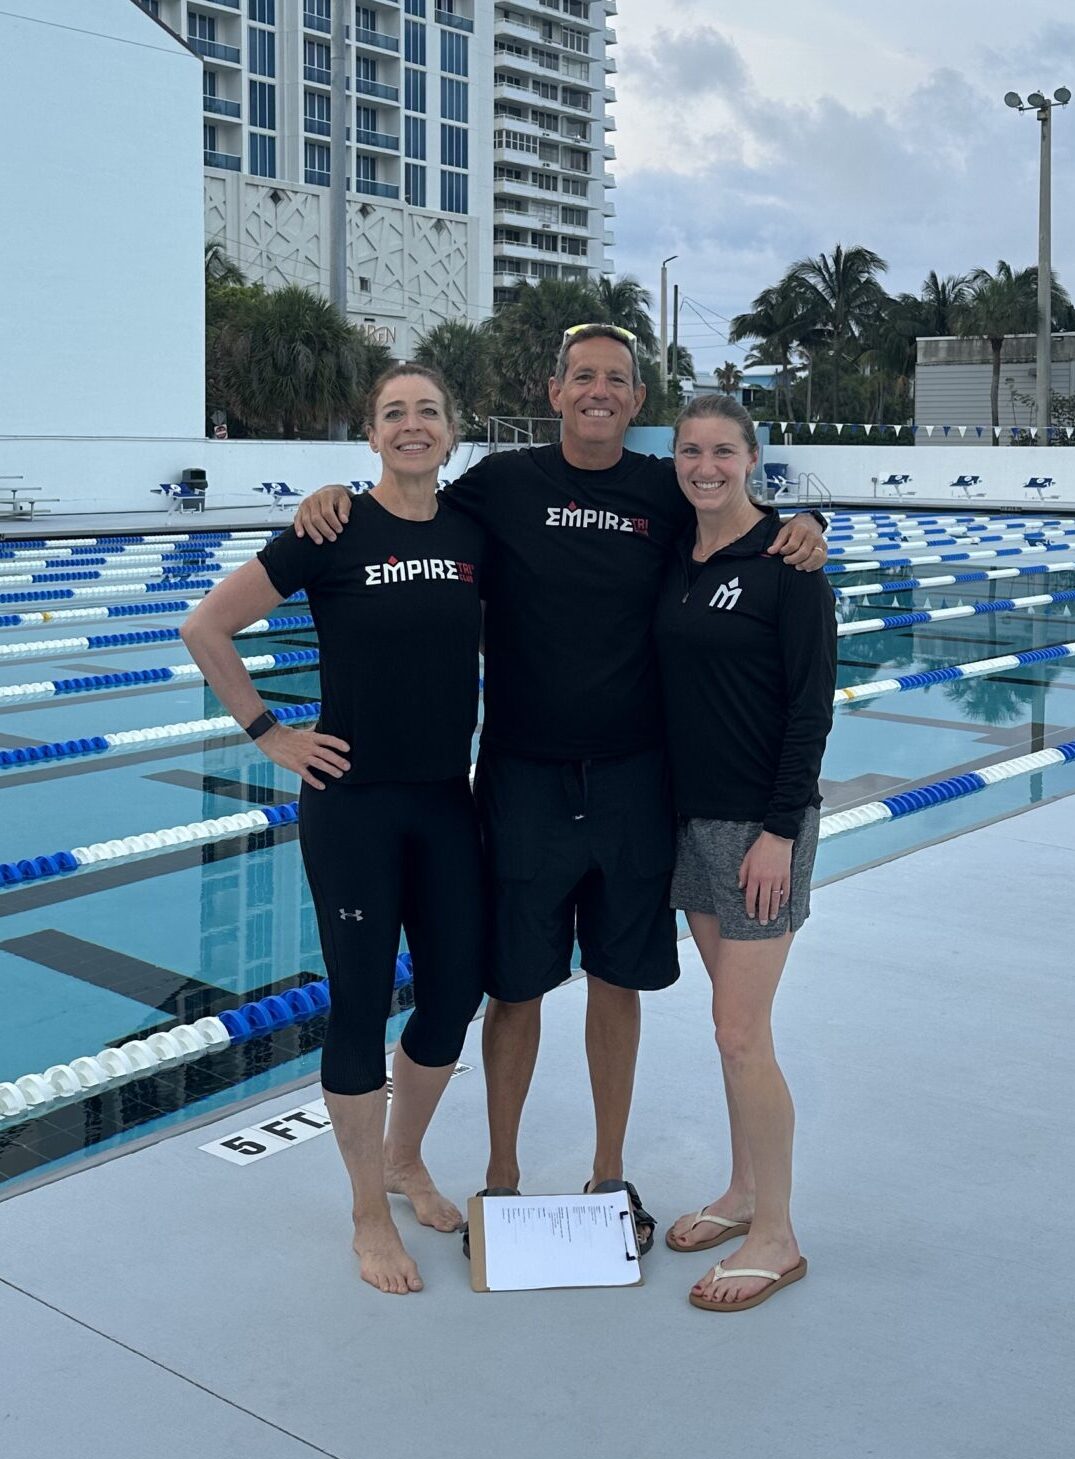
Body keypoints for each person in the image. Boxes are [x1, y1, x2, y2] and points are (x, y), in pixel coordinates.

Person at [293, 326, 828, 1253]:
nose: (597, 391)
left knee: (616, 981)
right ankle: (501, 1175)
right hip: (522, 778)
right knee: (516, 987)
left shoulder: (666, 487)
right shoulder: (503, 484)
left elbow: (735, 505)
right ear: (554, 391)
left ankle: (606, 1170)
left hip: (631, 780)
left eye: (615, 380)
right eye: (582, 376)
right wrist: (335, 494)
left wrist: (806, 526)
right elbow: (407, 500)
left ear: (634, 399)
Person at [182, 365, 486, 1295]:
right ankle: (365, 1211)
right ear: (370, 434)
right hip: (353, 806)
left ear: (452, 430)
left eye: (427, 411)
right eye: (394, 412)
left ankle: (405, 1157)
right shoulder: (332, 525)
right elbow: (207, 626)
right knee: (358, 1002)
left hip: (445, 799)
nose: (411, 425)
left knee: (452, 994)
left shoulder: (476, 528)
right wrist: (270, 732)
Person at [656, 394, 836, 1310]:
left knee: (738, 1032)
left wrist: (779, 830)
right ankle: (740, 1193)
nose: (705, 466)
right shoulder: (675, 554)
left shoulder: (786, 565)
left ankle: (778, 1235)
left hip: (759, 829)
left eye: (723, 451)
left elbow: (809, 709)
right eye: (691, 451)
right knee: (732, 1031)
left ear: (752, 458)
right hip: (689, 823)